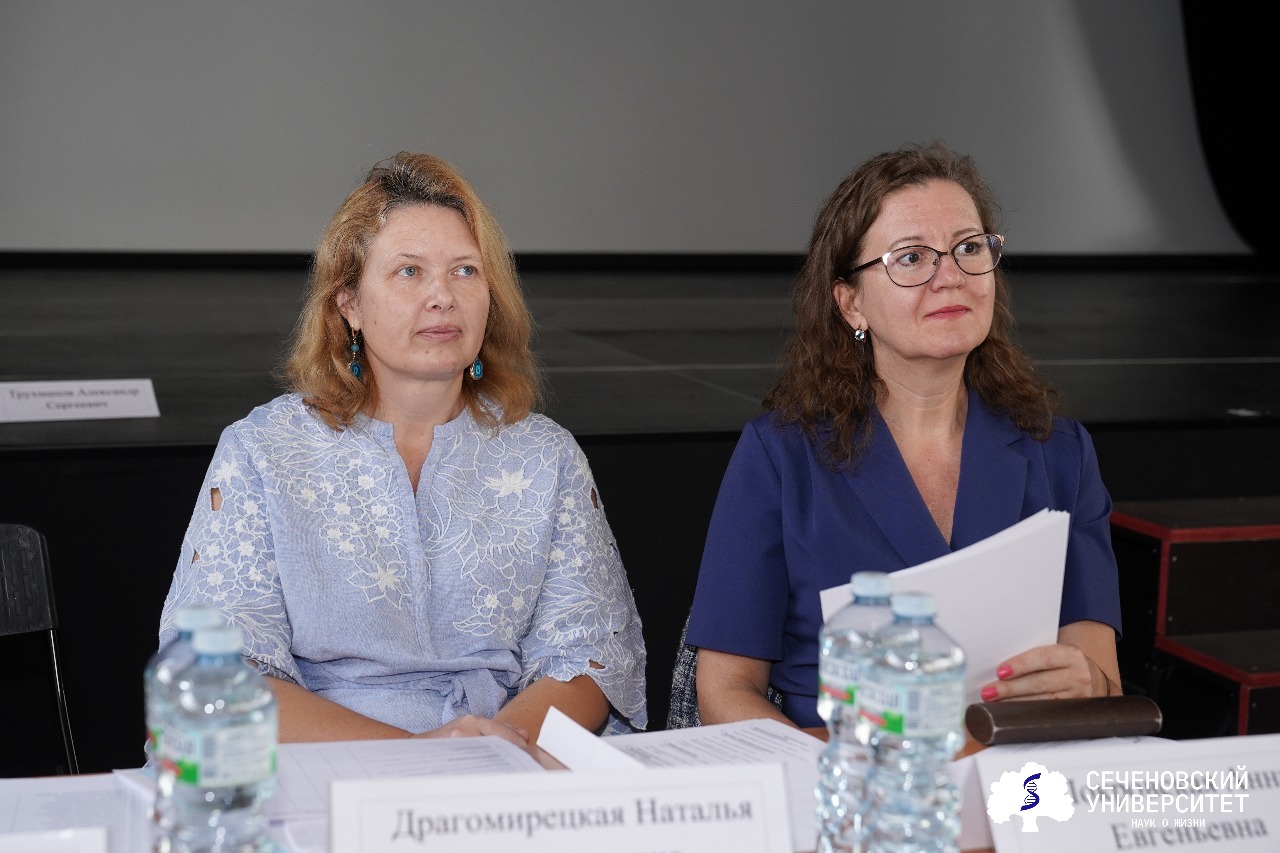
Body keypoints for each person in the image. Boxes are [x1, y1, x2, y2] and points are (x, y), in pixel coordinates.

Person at [159, 152, 646, 745]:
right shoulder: (264, 450)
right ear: (350, 304)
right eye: (409, 271)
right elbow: (216, 669)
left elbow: (591, 656)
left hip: (503, 756)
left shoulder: (546, 454)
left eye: (465, 271)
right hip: (316, 760)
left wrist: (489, 751)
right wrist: (416, 760)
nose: (442, 296)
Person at [685, 141, 1122, 732]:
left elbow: (1103, 682)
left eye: (969, 248)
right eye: (912, 258)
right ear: (851, 304)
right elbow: (725, 690)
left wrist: (1087, 685)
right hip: (834, 769)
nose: (951, 277)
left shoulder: (1061, 454)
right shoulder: (780, 456)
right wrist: (830, 771)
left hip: (1015, 776)